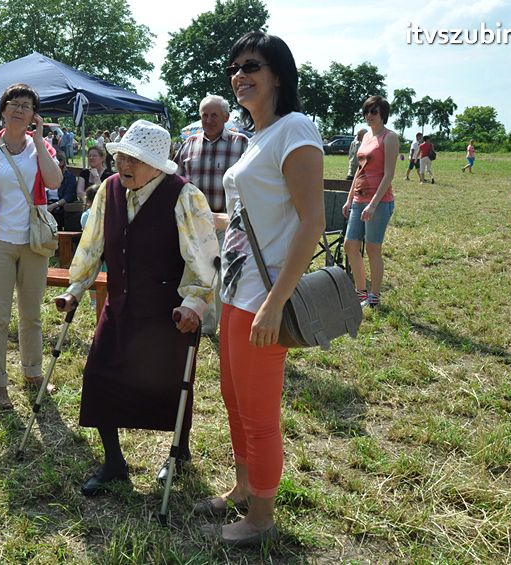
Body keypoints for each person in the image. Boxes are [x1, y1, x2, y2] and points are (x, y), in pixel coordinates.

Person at [200, 31, 324, 547]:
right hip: (235, 290)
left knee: (258, 412)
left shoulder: (296, 129)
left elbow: (311, 221)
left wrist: (275, 303)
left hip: (262, 299)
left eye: (251, 65)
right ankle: (244, 486)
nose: (239, 74)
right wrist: (205, 215)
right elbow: (253, 219)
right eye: (234, 67)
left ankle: (262, 518)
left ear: (278, 74)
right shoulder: (258, 136)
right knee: (234, 399)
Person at [54, 119, 219, 496]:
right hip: (121, 304)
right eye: (123, 156)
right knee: (99, 377)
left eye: (136, 160)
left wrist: (194, 302)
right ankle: (113, 462)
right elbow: (93, 244)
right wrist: (76, 287)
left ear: (158, 165)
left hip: (166, 312)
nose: (125, 165)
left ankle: (178, 455)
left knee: (170, 385)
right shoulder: (109, 190)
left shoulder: (185, 196)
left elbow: (204, 256)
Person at [0, 83, 62, 409]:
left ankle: (33, 373)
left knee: (32, 314)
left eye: (27, 106)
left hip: (33, 242)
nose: (20, 109)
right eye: (14, 103)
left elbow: (55, 182)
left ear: (35, 115)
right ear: (3, 110)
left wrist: (38, 140)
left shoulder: (41, 147)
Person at [174, 94, 249, 336]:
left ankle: (216, 324)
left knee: (221, 273)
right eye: (204, 114)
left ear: (226, 117)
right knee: (197, 269)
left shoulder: (242, 143)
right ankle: (204, 323)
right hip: (195, 222)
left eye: (214, 115)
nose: (208, 119)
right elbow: (176, 179)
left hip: (228, 222)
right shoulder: (189, 144)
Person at [343, 96, 398, 309]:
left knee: (373, 249)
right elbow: (359, 169)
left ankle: (374, 295)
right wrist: (349, 199)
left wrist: (373, 204)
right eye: (366, 112)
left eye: (373, 112)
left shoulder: (389, 137)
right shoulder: (365, 137)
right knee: (350, 245)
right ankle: (360, 292)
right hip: (359, 198)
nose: (369, 116)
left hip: (379, 201)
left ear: (383, 113)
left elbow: (389, 174)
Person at [47, 154, 78, 229]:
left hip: (61, 206)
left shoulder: (69, 177)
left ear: (61, 162)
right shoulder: (45, 175)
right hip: (47, 204)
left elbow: (69, 196)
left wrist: (53, 205)